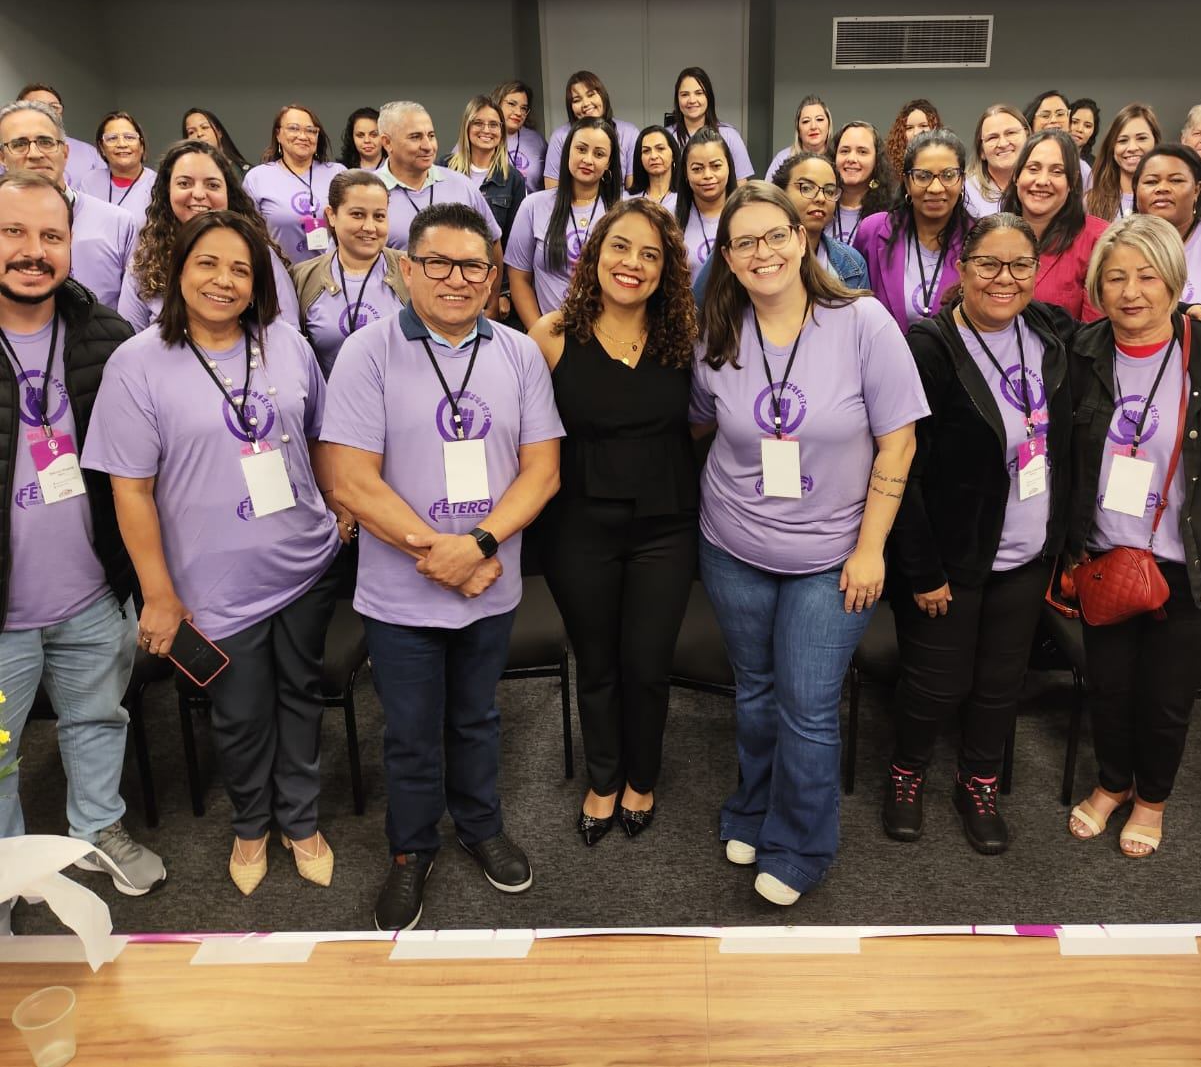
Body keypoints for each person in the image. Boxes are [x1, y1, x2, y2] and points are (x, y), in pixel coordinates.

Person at [83, 210, 345, 895]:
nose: (224, 280)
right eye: (207, 263)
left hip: (304, 565)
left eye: (240, 269)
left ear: (258, 282)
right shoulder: (137, 363)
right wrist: (158, 593)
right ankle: (251, 825)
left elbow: (317, 436)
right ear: (178, 272)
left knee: (301, 695)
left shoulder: (285, 343)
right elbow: (130, 490)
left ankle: (301, 819)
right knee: (240, 712)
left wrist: (338, 509)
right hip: (211, 583)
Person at [321, 201, 563, 932]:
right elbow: (350, 480)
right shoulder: (366, 352)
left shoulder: (518, 352)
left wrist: (478, 546)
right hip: (400, 592)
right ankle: (411, 847)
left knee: (478, 717)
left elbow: (542, 471)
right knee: (409, 730)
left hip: (489, 582)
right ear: (406, 268)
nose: (456, 279)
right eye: (438, 263)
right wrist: (444, 554)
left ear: (492, 276)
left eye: (472, 266)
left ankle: (480, 825)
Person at [691, 180, 927, 905]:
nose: (761, 252)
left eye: (775, 235)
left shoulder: (863, 323)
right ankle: (753, 807)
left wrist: (870, 548)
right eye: (744, 242)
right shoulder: (717, 331)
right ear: (727, 257)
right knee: (757, 691)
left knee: (807, 704)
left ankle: (798, 843)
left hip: (833, 555)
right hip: (733, 544)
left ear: (801, 239)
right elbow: (701, 422)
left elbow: (899, 443)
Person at [0, 169, 166, 908]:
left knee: (99, 718)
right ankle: (8, 874)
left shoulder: (107, 335)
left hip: (93, 593)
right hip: (2, 613)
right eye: (13, 232)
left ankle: (97, 828)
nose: (33, 251)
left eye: (51, 236)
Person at [885, 213, 1073, 854]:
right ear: (961, 270)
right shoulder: (929, 348)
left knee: (1000, 685)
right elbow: (900, 469)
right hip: (950, 559)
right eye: (988, 263)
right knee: (934, 683)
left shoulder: (1049, 331)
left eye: (1020, 265)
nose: (1004, 278)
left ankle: (979, 782)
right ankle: (907, 773)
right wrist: (922, 569)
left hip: (1027, 552)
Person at [528, 199, 698, 845]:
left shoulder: (683, 337)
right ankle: (603, 778)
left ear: (666, 270)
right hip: (578, 525)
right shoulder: (549, 335)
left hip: (665, 524)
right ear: (594, 254)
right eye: (621, 247)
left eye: (651, 254)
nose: (633, 264)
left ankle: (641, 777)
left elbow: (705, 421)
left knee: (647, 663)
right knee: (596, 661)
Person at [1064, 215, 1201, 858]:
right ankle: (1113, 782)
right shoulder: (1081, 351)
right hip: (1105, 551)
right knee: (1110, 684)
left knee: (1167, 697)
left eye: (1147, 276)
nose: (1130, 292)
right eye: (1115, 277)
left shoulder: (1198, 349)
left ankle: (1152, 800)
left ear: (1173, 280)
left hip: (1184, 559)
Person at [117, 139, 300, 331]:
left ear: (228, 192)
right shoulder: (145, 264)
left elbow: (288, 331)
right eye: (184, 183)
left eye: (212, 185)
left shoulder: (259, 253)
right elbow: (129, 337)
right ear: (167, 190)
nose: (198, 194)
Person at [0, 100, 138, 309]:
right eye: (19, 144)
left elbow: (134, 313)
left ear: (65, 153)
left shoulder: (118, 223)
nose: (35, 154)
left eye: (46, 142)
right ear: (2, 157)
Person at [506, 118, 622, 329]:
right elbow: (518, 279)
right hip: (550, 334)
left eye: (599, 154)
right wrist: (540, 334)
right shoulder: (533, 206)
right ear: (568, 151)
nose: (588, 160)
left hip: (609, 334)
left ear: (608, 163)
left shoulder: (622, 212)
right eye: (581, 149)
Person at [292, 169, 408, 377]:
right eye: (357, 214)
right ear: (331, 215)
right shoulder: (303, 278)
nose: (370, 227)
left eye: (379, 216)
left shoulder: (412, 270)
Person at [854, 130, 972, 332]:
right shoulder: (872, 231)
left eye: (948, 175)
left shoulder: (978, 240)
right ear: (907, 183)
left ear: (962, 180)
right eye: (923, 176)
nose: (935, 188)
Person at [373, 102, 502, 270]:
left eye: (431, 136)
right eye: (415, 137)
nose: (428, 146)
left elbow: (493, 244)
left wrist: (490, 288)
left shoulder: (462, 186)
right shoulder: (367, 191)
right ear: (387, 142)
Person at [1001, 131, 1107, 320]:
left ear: (1072, 181)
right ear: (1016, 175)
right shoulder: (994, 235)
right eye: (1033, 169)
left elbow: (1094, 331)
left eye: (1057, 172)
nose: (1042, 181)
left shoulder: (1099, 240)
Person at [243, 104, 344, 264]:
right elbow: (247, 234)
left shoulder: (337, 173)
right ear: (278, 134)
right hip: (277, 271)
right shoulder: (257, 177)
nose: (303, 136)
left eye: (311, 130)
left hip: (329, 272)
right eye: (293, 128)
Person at [771, 152, 869, 289]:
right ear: (781, 193)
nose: (821, 198)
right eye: (806, 188)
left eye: (829, 191)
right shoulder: (760, 256)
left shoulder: (852, 264)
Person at [441, 96, 527, 248]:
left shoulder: (514, 179)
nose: (486, 130)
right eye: (478, 123)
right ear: (467, 127)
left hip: (491, 260)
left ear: (501, 130)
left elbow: (512, 241)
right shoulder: (444, 168)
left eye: (493, 124)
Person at [543, 72, 639, 189]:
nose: (586, 103)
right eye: (577, 100)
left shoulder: (629, 133)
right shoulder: (560, 137)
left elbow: (633, 190)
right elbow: (552, 190)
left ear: (603, 96)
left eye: (591, 94)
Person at [1133, 144, 1201, 299]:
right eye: (1151, 182)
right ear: (1135, 189)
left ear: (1196, 190)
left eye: (1176, 180)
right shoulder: (1118, 243)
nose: (1162, 188)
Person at [665, 67, 754, 183]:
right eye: (685, 94)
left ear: (708, 97)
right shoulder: (666, 138)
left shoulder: (730, 136)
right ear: (677, 100)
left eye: (699, 93)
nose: (692, 100)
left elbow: (741, 185)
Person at [675, 128, 738, 279]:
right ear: (685, 173)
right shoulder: (671, 218)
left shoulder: (746, 214)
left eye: (716, 166)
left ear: (729, 167)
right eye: (697, 169)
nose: (707, 175)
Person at [78, 111, 156, 229]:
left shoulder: (158, 184)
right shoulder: (90, 182)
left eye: (129, 137)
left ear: (141, 145)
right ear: (102, 148)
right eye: (112, 138)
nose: (121, 144)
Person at [17, 84, 103, 190]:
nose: (48, 112)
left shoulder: (90, 154)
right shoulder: (8, 152)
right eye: (38, 107)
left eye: (54, 107)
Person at [1086, 103, 1162, 222]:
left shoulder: (1166, 199)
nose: (1132, 148)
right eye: (1122, 140)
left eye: (1141, 138)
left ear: (1155, 142)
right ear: (1112, 148)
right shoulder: (1090, 202)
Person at [830, 122, 895, 246]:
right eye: (844, 151)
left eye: (862, 152)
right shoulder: (819, 207)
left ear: (877, 160)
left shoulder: (891, 215)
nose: (851, 159)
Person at [964, 105, 1029, 218]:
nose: (1003, 144)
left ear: (1028, 137)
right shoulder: (966, 192)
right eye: (992, 138)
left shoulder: (1042, 183)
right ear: (981, 151)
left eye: (1011, 133)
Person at [492, 81, 547, 191]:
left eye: (523, 108)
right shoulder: (480, 137)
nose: (518, 112)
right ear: (497, 103)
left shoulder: (537, 140)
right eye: (512, 104)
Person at [765, 96, 834, 181]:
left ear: (829, 125)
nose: (813, 126)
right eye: (806, 121)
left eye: (819, 119)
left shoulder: (839, 159)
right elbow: (767, 189)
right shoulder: (782, 159)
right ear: (798, 129)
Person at [181, 109, 252, 174]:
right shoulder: (186, 175)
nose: (199, 134)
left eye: (205, 127)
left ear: (219, 132)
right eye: (191, 132)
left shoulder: (247, 174)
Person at [884, 99, 942, 180]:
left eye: (923, 126)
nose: (916, 133)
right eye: (909, 128)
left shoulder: (948, 160)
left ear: (935, 128)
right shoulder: (889, 168)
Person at [627, 125, 679, 208]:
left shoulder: (686, 197)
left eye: (660, 149)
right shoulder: (628, 200)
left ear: (673, 154)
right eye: (646, 151)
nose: (653, 156)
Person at [1069, 99, 1101, 167]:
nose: (1080, 129)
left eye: (1087, 126)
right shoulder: (1048, 155)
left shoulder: (1096, 166)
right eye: (1074, 122)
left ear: (1093, 131)